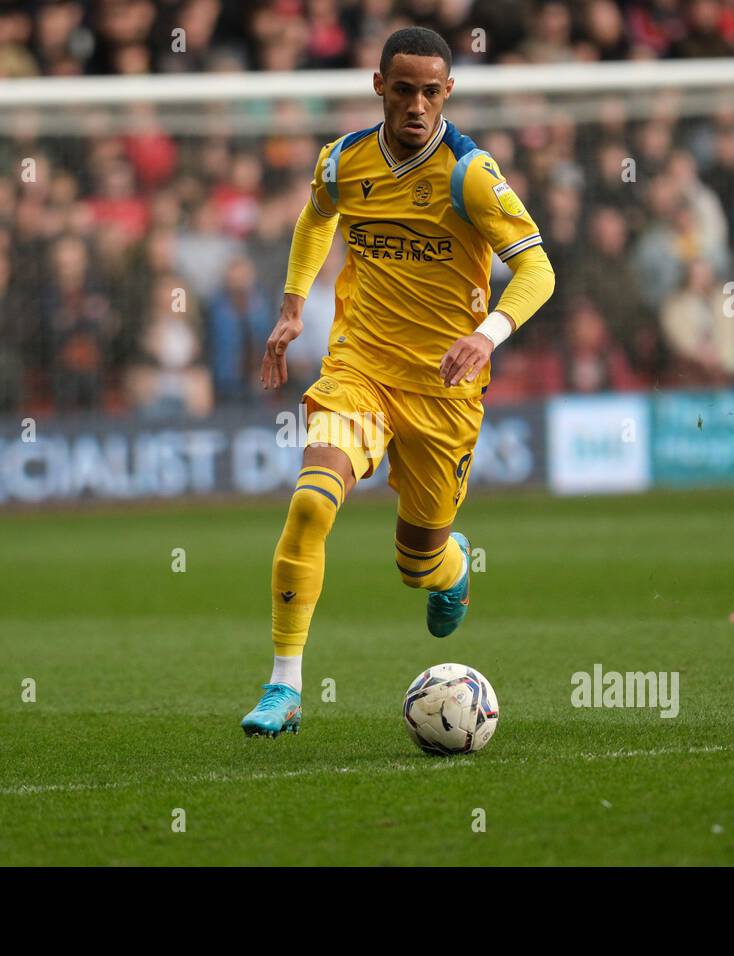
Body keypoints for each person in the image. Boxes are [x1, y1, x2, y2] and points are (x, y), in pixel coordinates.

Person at [239, 27, 556, 737]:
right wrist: (293, 304)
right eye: (404, 88)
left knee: (418, 563)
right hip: (360, 371)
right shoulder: (344, 160)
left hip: (444, 391)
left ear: (449, 93)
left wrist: (487, 335)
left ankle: (451, 568)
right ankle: (284, 686)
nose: (417, 104)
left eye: (431, 91)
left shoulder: (469, 174)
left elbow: (538, 270)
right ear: (378, 86)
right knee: (312, 506)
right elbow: (317, 213)